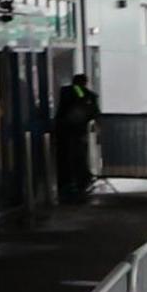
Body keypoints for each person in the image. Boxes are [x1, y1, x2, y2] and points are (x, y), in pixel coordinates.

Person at [53, 71, 101, 202]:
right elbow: (81, 96)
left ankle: (71, 183)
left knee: (68, 159)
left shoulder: (67, 92)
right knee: (76, 158)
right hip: (74, 133)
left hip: (66, 132)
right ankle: (77, 182)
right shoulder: (80, 93)